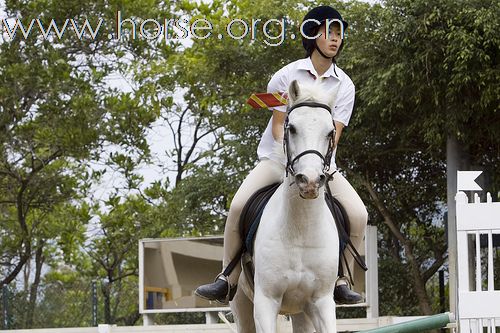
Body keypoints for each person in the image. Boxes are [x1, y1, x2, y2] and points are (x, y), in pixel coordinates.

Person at [195, 5, 368, 305]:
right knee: (237, 206)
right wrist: (293, 160)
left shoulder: (346, 86)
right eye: (329, 32)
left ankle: (342, 279)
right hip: (278, 160)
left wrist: (314, 164)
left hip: (323, 165)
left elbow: (335, 134)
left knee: (358, 214)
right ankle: (228, 278)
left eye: (339, 33)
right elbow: (278, 127)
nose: (335, 39)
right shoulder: (287, 75)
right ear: (313, 34)